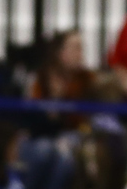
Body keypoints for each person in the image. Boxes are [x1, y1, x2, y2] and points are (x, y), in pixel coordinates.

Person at [21, 30, 94, 189]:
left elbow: (87, 119)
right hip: (38, 137)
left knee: (65, 159)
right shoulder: (39, 79)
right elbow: (28, 118)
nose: (80, 54)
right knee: (44, 151)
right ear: (60, 52)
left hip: (74, 137)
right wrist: (53, 104)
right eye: (75, 48)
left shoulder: (87, 79)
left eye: (82, 48)